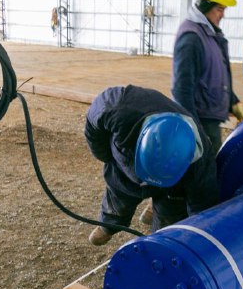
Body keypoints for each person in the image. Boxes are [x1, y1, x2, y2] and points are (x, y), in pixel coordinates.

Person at [84, 85, 220, 246]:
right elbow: (93, 126)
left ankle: (160, 230)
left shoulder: (200, 164)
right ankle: (110, 223)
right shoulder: (118, 108)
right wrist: (105, 156)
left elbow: (202, 208)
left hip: (172, 186)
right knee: (119, 190)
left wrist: (199, 239)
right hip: (126, 164)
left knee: (170, 224)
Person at [172, 0, 243, 158]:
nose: (222, 14)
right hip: (201, 122)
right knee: (204, 177)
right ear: (206, 5)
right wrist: (195, 130)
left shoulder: (208, 33)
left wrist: (232, 100)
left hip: (210, 120)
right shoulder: (191, 38)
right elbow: (181, 90)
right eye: (220, 9)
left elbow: (214, 74)